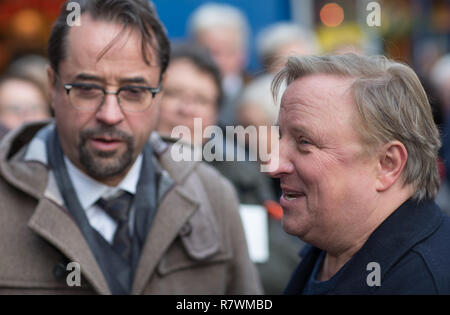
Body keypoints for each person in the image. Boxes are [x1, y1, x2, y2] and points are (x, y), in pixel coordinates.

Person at [0, 0, 261, 295]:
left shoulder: (212, 197)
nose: (110, 114)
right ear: (53, 86)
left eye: (135, 92)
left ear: (160, 91)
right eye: (86, 89)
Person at [270, 53, 450, 294]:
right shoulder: (328, 250)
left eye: (304, 142)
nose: (274, 164)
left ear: (387, 164)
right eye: (281, 136)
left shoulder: (425, 281)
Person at [187, 3, 251, 127]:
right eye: (209, 52)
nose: (217, 61)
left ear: (242, 55)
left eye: (227, 51)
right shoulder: (178, 96)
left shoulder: (256, 99)